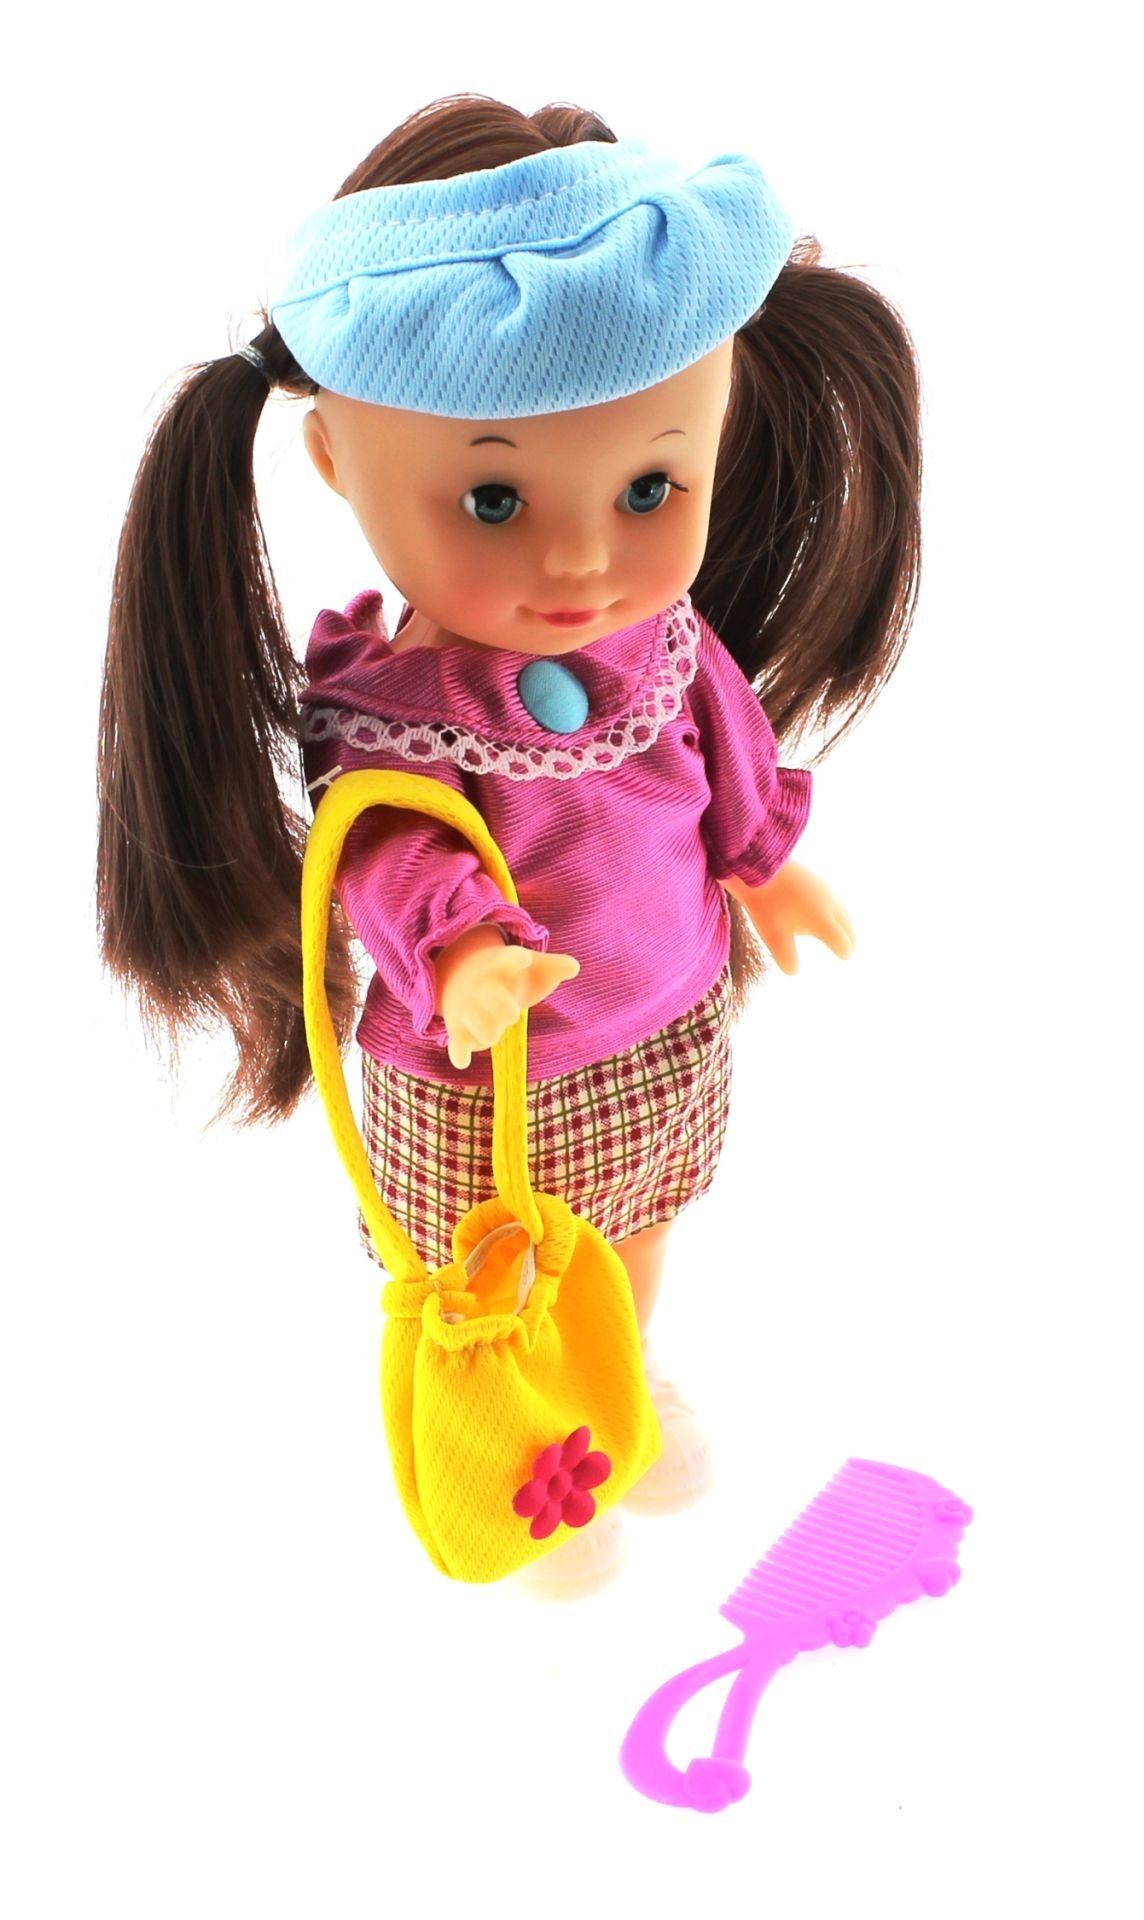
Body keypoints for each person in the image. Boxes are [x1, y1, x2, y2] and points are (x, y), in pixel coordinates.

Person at [98, 94, 922, 1597]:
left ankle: (622, 1387)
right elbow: (386, 851)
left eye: (652, 487)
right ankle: (525, 1472)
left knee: (642, 1235)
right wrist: (465, 948)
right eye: (494, 499)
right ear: (337, 460)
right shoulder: (404, 713)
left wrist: (764, 860)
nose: (583, 557)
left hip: (665, 1024)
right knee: (502, 1283)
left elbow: (722, 736)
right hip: (491, 1084)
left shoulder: (659, 637)